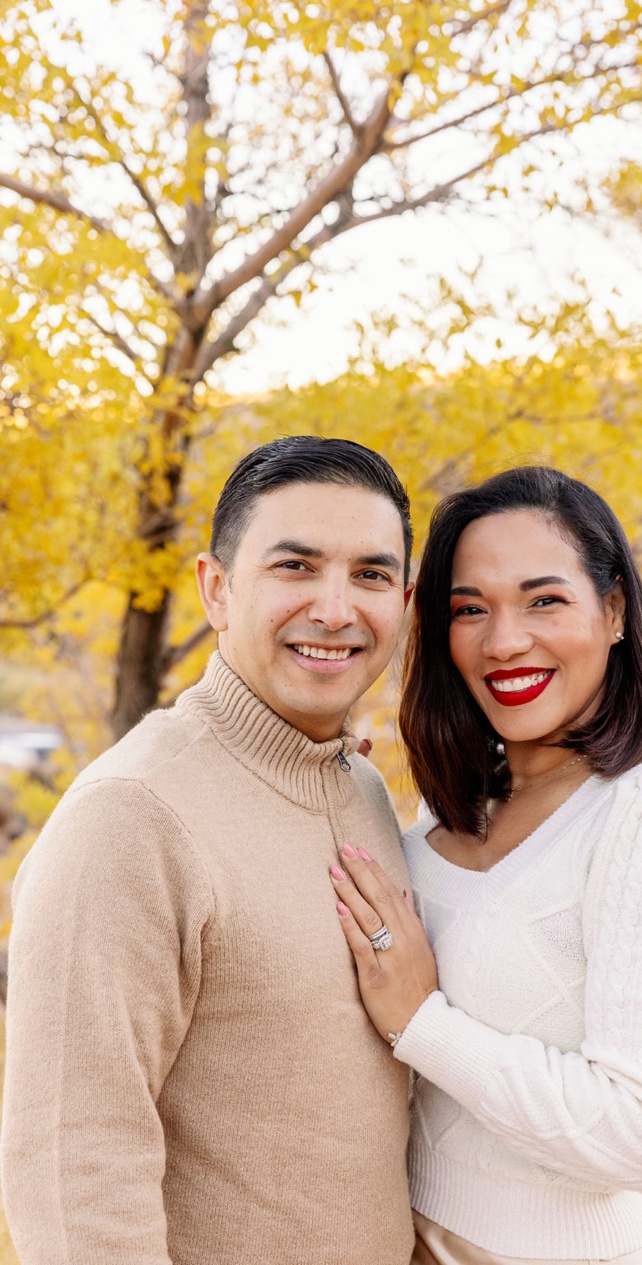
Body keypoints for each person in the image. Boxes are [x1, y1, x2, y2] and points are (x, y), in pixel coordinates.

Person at [323, 466, 642, 1265]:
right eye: (470, 609)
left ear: (616, 610)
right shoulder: (450, 811)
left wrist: (424, 1024)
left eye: (543, 599)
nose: (503, 640)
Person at [1, 437, 419, 1264]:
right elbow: (71, 1169)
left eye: (371, 575)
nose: (336, 608)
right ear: (216, 589)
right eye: (295, 566)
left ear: (404, 600)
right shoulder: (132, 817)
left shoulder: (362, 790)